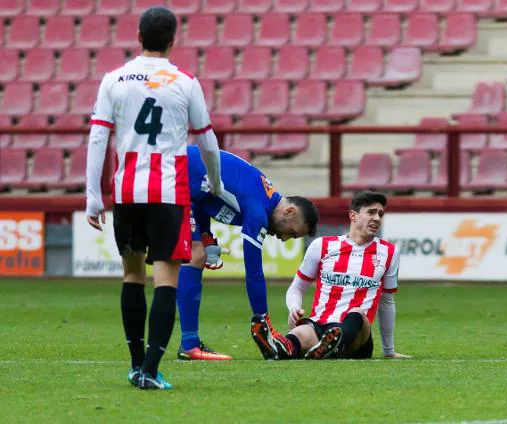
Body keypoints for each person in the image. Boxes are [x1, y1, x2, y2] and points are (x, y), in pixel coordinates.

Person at [85, 7, 224, 390]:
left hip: (127, 193)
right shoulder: (184, 81)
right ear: (173, 40)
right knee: (166, 280)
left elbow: (98, 138)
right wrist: (213, 181)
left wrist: (93, 196)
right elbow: (207, 140)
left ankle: (135, 364)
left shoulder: (114, 79)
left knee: (132, 275)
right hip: (167, 192)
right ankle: (150, 368)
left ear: (138, 36)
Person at [175, 145, 320, 360]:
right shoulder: (258, 210)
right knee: (193, 258)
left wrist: (205, 235)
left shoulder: (262, 195)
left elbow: (202, 195)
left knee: (196, 255)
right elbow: (253, 272)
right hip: (171, 175)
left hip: (178, 174)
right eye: (291, 232)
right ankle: (188, 345)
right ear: (289, 212)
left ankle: (188, 344)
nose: (284, 239)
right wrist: (264, 320)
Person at [251, 191, 410, 360]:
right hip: (320, 326)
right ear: (353, 216)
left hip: (357, 337)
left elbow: (386, 302)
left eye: (380, 214)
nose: (377, 218)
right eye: (371, 212)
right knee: (299, 334)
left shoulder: (389, 252)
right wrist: (294, 308)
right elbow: (296, 288)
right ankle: (278, 349)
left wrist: (389, 350)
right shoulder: (322, 245)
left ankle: (332, 347)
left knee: (357, 313)